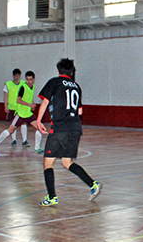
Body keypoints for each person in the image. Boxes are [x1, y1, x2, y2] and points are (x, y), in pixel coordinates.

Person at [35, 58, 101, 206]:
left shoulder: (55, 82)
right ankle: (93, 184)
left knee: (47, 163)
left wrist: (39, 121)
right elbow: (80, 111)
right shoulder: (76, 86)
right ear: (71, 72)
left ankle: (52, 197)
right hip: (75, 129)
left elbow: (45, 101)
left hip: (60, 129)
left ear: (58, 71)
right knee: (66, 162)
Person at [0, 71, 44, 155]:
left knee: (40, 128)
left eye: (30, 79)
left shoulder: (32, 87)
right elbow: (18, 100)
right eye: (27, 79)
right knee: (10, 130)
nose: (29, 81)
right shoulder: (23, 87)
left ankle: (37, 147)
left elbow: (29, 97)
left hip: (28, 114)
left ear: (34, 79)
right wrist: (29, 104)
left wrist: (32, 104)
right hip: (21, 114)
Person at [3, 69, 23, 147]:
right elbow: (5, 96)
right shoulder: (8, 84)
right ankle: (13, 140)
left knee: (23, 123)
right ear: (13, 76)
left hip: (21, 107)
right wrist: (5, 106)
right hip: (12, 107)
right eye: (15, 75)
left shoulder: (23, 84)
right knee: (13, 123)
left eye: (18, 75)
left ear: (20, 75)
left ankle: (24, 140)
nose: (16, 77)